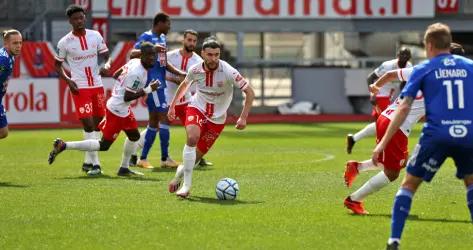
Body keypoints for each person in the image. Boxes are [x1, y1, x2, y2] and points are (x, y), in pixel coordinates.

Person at [370, 23, 473, 250]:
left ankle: (394, 241)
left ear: (429, 45)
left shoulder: (423, 69)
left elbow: (404, 107)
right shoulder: (470, 67)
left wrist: (382, 144)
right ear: (449, 43)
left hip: (436, 135)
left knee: (408, 185)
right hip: (467, 133)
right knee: (470, 184)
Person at [343, 43, 466, 215]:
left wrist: (376, 87)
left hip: (386, 117)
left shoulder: (423, 69)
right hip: (396, 125)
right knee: (392, 173)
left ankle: (357, 167)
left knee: (398, 162)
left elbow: (390, 75)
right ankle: (354, 200)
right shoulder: (448, 83)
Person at [48, 42, 158, 177]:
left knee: (134, 136)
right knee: (104, 145)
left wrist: (122, 85)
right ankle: (64, 146)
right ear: (142, 56)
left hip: (122, 109)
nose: (153, 58)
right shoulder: (138, 72)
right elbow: (127, 97)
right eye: (149, 55)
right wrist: (148, 90)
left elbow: (116, 74)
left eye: (154, 55)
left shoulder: (134, 62)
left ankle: (124, 168)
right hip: (117, 110)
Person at [167, 38, 255, 198]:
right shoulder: (195, 70)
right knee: (192, 138)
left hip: (218, 119)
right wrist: (173, 106)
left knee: (194, 159)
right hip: (197, 108)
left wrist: (243, 118)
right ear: (203, 54)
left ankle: (180, 174)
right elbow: (185, 85)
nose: (213, 58)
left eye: (217, 55)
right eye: (210, 55)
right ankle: (186, 186)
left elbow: (250, 92)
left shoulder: (228, 71)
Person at [54, 4, 112, 175]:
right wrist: (68, 80)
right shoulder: (65, 42)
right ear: (70, 21)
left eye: (81, 17)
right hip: (79, 86)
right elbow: (57, 65)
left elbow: (106, 56)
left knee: (97, 124)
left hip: (97, 84)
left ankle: (87, 161)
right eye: (75, 19)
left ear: (85, 18)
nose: (79, 21)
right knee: (88, 125)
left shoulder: (95, 36)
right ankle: (96, 164)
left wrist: (107, 65)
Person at [127, 12, 186, 170]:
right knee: (164, 119)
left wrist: (180, 73)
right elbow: (132, 54)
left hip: (161, 85)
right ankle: (164, 158)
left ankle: (143, 158)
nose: (169, 27)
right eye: (168, 23)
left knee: (154, 122)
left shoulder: (162, 39)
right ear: (159, 23)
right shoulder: (146, 36)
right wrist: (152, 48)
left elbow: (163, 63)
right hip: (152, 84)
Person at [346, 48, 412, 154]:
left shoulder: (409, 67)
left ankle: (354, 139)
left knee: (381, 123)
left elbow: (404, 84)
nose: (404, 58)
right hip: (380, 95)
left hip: (389, 97)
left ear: (409, 58)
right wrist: (372, 94)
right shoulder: (388, 66)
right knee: (388, 122)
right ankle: (384, 149)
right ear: (397, 55)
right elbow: (370, 78)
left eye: (406, 56)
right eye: (402, 55)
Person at [165, 29, 213, 168]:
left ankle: (198, 156)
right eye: (189, 40)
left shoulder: (198, 60)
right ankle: (137, 155)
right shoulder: (170, 56)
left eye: (194, 41)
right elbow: (159, 73)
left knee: (196, 128)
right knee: (157, 127)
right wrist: (173, 79)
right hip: (168, 98)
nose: (191, 43)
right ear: (183, 40)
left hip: (186, 100)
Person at [0, 29, 22, 139]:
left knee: (3, 132)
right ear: (6, 44)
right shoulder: (3, 60)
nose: (18, 46)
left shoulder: (11, 56)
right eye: (15, 43)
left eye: (20, 42)